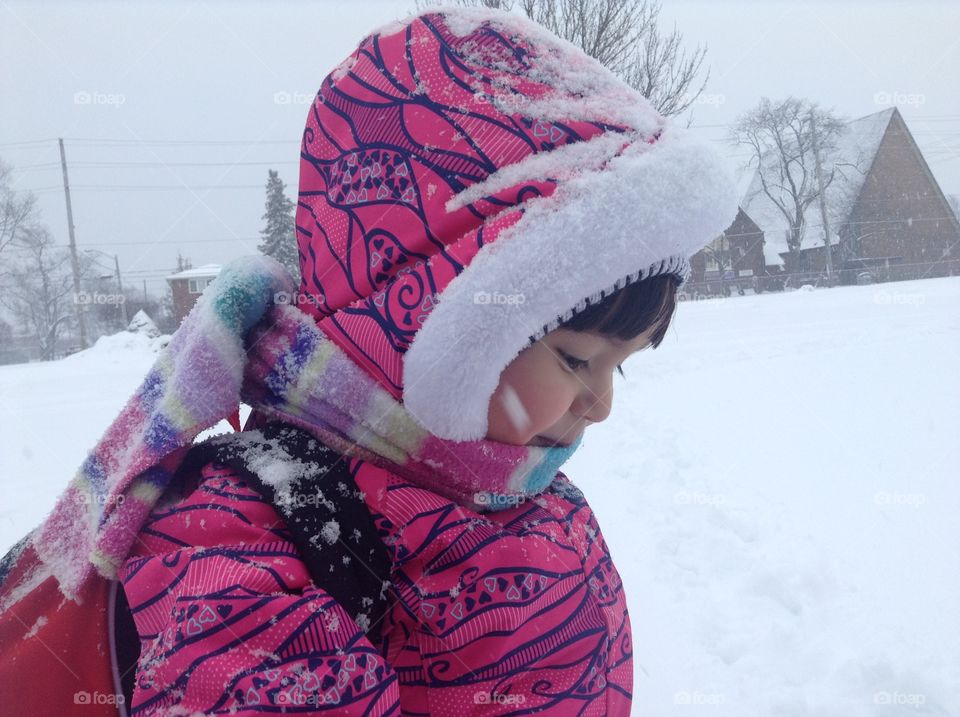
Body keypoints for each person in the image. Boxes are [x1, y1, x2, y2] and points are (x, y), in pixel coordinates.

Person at [0, 7, 737, 715]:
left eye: (622, 364)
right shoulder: (242, 560)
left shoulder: (491, 478)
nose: (600, 404)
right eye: (577, 358)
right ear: (429, 320)